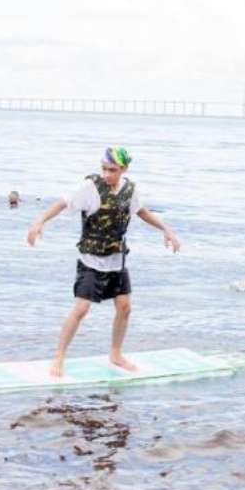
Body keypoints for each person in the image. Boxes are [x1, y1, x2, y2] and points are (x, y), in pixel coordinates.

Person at [26, 147, 181, 377]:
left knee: (124, 307)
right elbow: (61, 203)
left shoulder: (130, 190)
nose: (107, 174)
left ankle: (116, 354)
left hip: (116, 259)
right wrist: (39, 222)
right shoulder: (90, 188)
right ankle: (59, 357)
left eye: (113, 170)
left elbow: (142, 212)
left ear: (124, 169)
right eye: (104, 169)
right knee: (81, 308)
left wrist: (166, 229)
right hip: (90, 259)